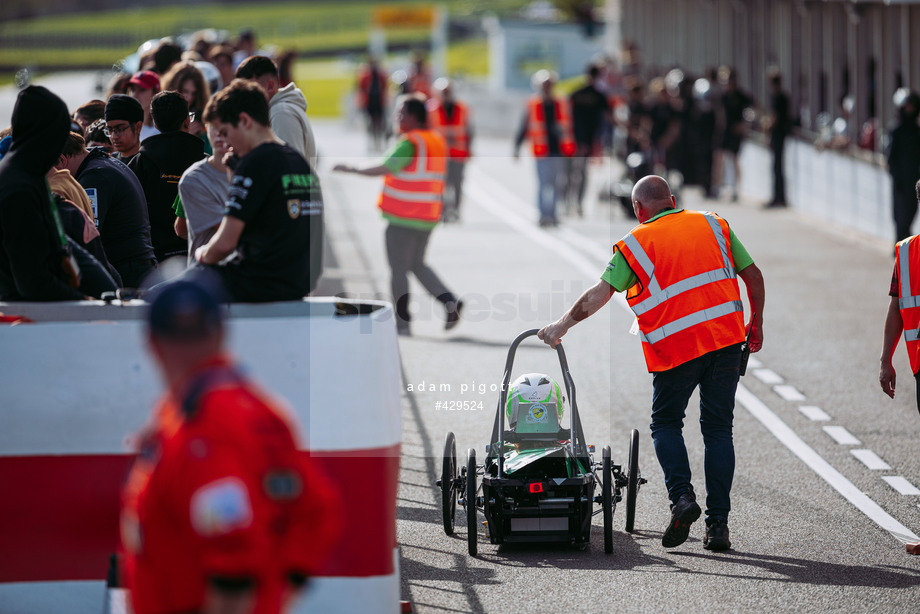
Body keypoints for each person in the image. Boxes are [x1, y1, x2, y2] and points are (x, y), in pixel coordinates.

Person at [538, 175, 765, 553]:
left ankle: (682, 498)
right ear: (673, 200)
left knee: (665, 424)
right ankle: (718, 526)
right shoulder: (714, 223)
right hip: (726, 341)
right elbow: (753, 277)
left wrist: (561, 326)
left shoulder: (635, 243)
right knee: (719, 430)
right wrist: (755, 323)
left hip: (676, 349)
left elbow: (599, 294)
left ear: (637, 210)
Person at [120, 275, 341, 614]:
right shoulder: (258, 406)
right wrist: (281, 588)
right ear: (222, 333)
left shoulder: (200, 429)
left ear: (152, 343)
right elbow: (317, 510)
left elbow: (233, 549)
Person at [333, 95, 463, 335]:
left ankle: (402, 323)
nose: (397, 117)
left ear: (413, 116)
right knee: (417, 264)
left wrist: (350, 168)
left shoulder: (410, 142)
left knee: (398, 270)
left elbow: (385, 166)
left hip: (404, 216)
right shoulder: (435, 139)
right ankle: (449, 302)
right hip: (427, 216)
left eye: (400, 113)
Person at [195, 79, 325, 302]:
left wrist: (202, 255)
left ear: (244, 121)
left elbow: (225, 243)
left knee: (174, 286)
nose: (225, 143)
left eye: (225, 132)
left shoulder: (255, 163)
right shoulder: (299, 162)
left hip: (257, 282)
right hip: (300, 283)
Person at [0, 86, 113, 300]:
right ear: (44, 135)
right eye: (57, 137)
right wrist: (85, 301)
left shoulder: (28, 173)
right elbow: (33, 282)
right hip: (38, 318)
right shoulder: (18, 188)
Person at [57, 131, 158, 289]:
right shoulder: (106, 162)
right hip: (139, 264)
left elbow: (89, 236)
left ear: (62, 160)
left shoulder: (94, 177)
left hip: (127, 271)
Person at [129, 90, 206, 263]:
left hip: (153, 256)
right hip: (199, 254)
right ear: (187, 121)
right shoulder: (206, 162)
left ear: (155, 124)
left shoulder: (138, 163)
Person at [514, 70, 576, 227]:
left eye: (549, 84)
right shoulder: (533, 104)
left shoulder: (561, 103)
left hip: (559, 150)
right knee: (543, 184)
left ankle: (553, 215)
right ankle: (543, 215)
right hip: (541, 151)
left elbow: (571, 126)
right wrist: (517, 147)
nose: (547, 88)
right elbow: (524, 127)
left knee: (557, 184)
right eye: (544, 85)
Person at [235, 55, 318, 169]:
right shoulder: (278, 110)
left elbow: (290, 168)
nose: (244, 97)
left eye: (250, 89)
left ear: (269, 86)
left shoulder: (281, 113)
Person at [176, 121, 231, 265]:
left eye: (226, 127)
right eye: (215, 127)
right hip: (208, 277)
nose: (220, 134)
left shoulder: (257, 170)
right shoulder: (194, 178)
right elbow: (180, 228)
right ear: (207, 129)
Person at [567, 63, 611, 216]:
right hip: (582, 140)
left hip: (576, 140)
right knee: (579, 173)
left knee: (574, 173)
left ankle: (571, 203)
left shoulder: (576, 94)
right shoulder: (598, 95)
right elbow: (608, 118)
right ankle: (575, 203)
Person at [427, 78, 472, 223]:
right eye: (443, 92)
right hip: (439, 155)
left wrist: (469, 149)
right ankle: (443, 210)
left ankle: (456, 210)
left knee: (457, 183)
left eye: (448, 92)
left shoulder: (462, 108)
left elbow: (468, 130)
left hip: (458, 153)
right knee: (442, 184)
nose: (446, 95)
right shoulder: (431, 109)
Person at [713, 67, 752, 202]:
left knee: (735, 159)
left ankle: (736, 189)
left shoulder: (740, 96)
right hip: (724, 131)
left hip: (735, 132)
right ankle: (716, 187)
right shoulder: (723, 96)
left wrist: (744, 125)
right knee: (719, 158)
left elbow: (753, 109)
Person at [886, 90, 920, 243]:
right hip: (900, 185)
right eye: (906, 108)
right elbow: (891, 158)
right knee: (901, 219)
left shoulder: (917, 132)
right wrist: (896, 178)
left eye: (912, 108)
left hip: (915, 182)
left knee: (911, 213)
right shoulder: (896, 131)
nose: (909, 111)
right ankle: (900, 251)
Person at [162, 60, 212, 147]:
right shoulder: (160, 114)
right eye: (185, 91)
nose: (189, 97)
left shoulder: (201, 116)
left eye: (194, 93)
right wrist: (185, 136)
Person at [765, 70, 791, 208]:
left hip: (778, 134)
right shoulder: (783, 97)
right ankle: (778, 196)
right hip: (781, 134)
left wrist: (767, 127)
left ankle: (778, 197)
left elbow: (774, 118)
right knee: (777, 167)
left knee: (777, 167)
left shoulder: (778, 98)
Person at [356, 55, 389, 152]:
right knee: (370, 123)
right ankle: (372, 142)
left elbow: (385, 86)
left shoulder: (380, 75)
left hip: (379, 101)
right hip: (369, 101)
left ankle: (378, 141)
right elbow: (361, 88)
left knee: (379, 122)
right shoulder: (365, 75)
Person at [104, 94, 145, 163]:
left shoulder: (150, 163)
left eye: (120, 129)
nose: (114, 137)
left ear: (138, 127)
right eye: (110, 130)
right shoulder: (108, 162)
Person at [126, 70, 161, 141]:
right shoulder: (123, 126)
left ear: (155, 93)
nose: (135, 95)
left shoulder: (162, 130)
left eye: (142, 90)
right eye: (132, 90)